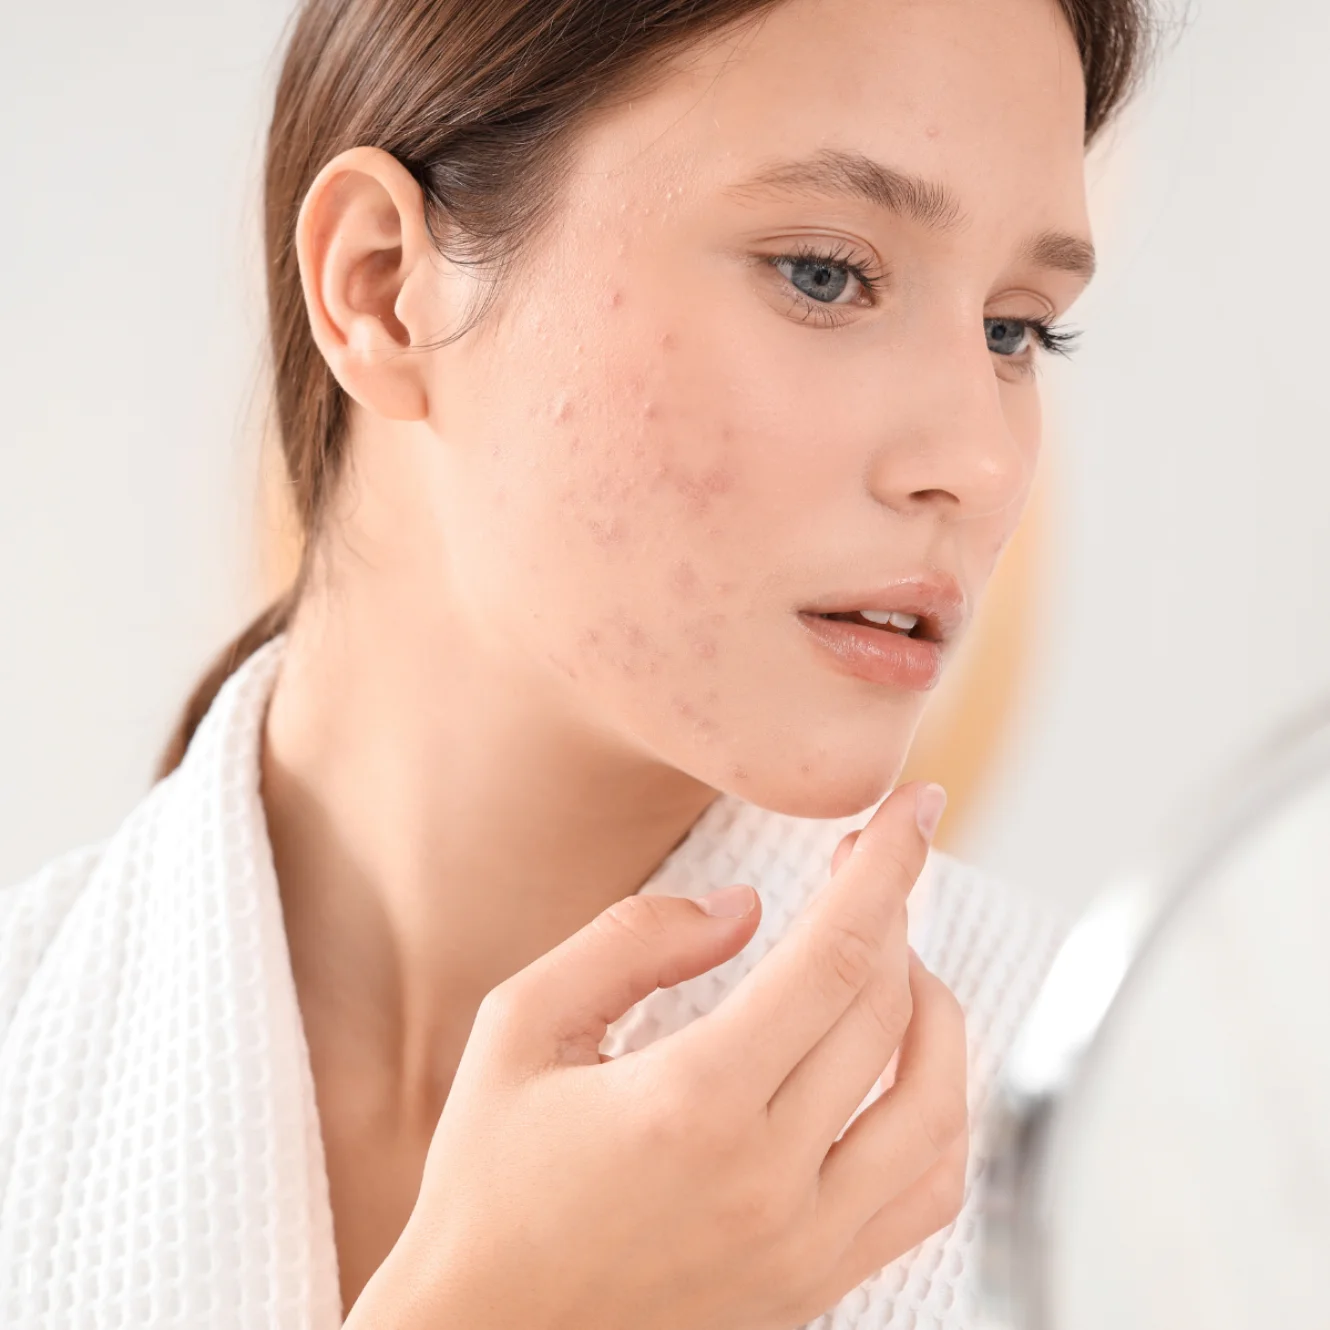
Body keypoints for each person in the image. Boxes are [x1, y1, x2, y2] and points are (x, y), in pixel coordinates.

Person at [0, 0, 1153, 1325]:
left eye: (1015, 329)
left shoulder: (1142, 1157)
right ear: (382, 286)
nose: (982, 462)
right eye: (825, 272)